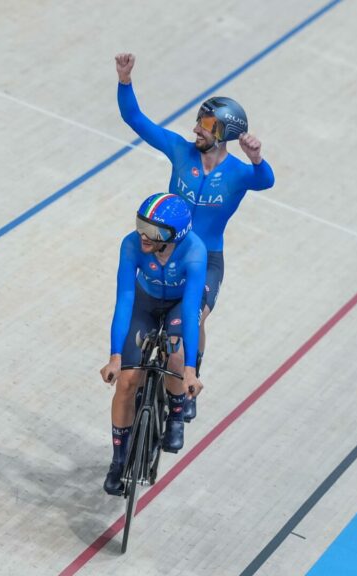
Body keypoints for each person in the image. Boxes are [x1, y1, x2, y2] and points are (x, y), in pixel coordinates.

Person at [115, 53, 275, 423]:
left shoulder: (237, 172)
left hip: (205, 259)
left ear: (223, 132)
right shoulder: (180, 151)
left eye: (204, 123)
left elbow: (266, 181)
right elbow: (135, 119)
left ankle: (187, 383)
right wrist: (125, 81)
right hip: (164, 249)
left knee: (193, 323)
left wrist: (256, 158)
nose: (195, 129)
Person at [100, 193, 207, 495]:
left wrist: (188, 370)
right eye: (140, 225)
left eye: (154, 232)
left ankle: (175, 413)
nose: (144, 236)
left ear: (175, 236)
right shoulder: (131, 244)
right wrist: (115, 356)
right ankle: (118, 461)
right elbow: (124, 300)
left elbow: (189, 310)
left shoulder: (194, 253)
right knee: (126, 383)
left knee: (174, 352)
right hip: (144, 304)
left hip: (177, 307)